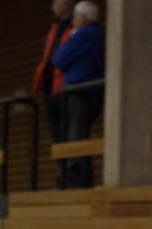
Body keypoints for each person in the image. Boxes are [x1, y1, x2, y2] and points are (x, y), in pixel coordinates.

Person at [53, 1, 105, 189]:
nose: (73, 21)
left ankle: (78, 181)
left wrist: (71, 38)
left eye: (75, 17)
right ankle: (79, 180)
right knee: (79, 136)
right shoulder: (100, 36)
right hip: (92, 94)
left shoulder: (83, 35)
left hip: (80, 93)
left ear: (83, 18)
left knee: (76, 138)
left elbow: (59, 59)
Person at [33, 0, 75, 189]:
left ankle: (71, 178)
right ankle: (61, 175)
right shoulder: (54, 29)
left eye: (56, 2)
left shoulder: (75, 28)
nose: (52, 6)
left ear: (66, 4)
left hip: (65, 87)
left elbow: (63, 58)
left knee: (70, 134)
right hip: (50, 87)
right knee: (56, 135)